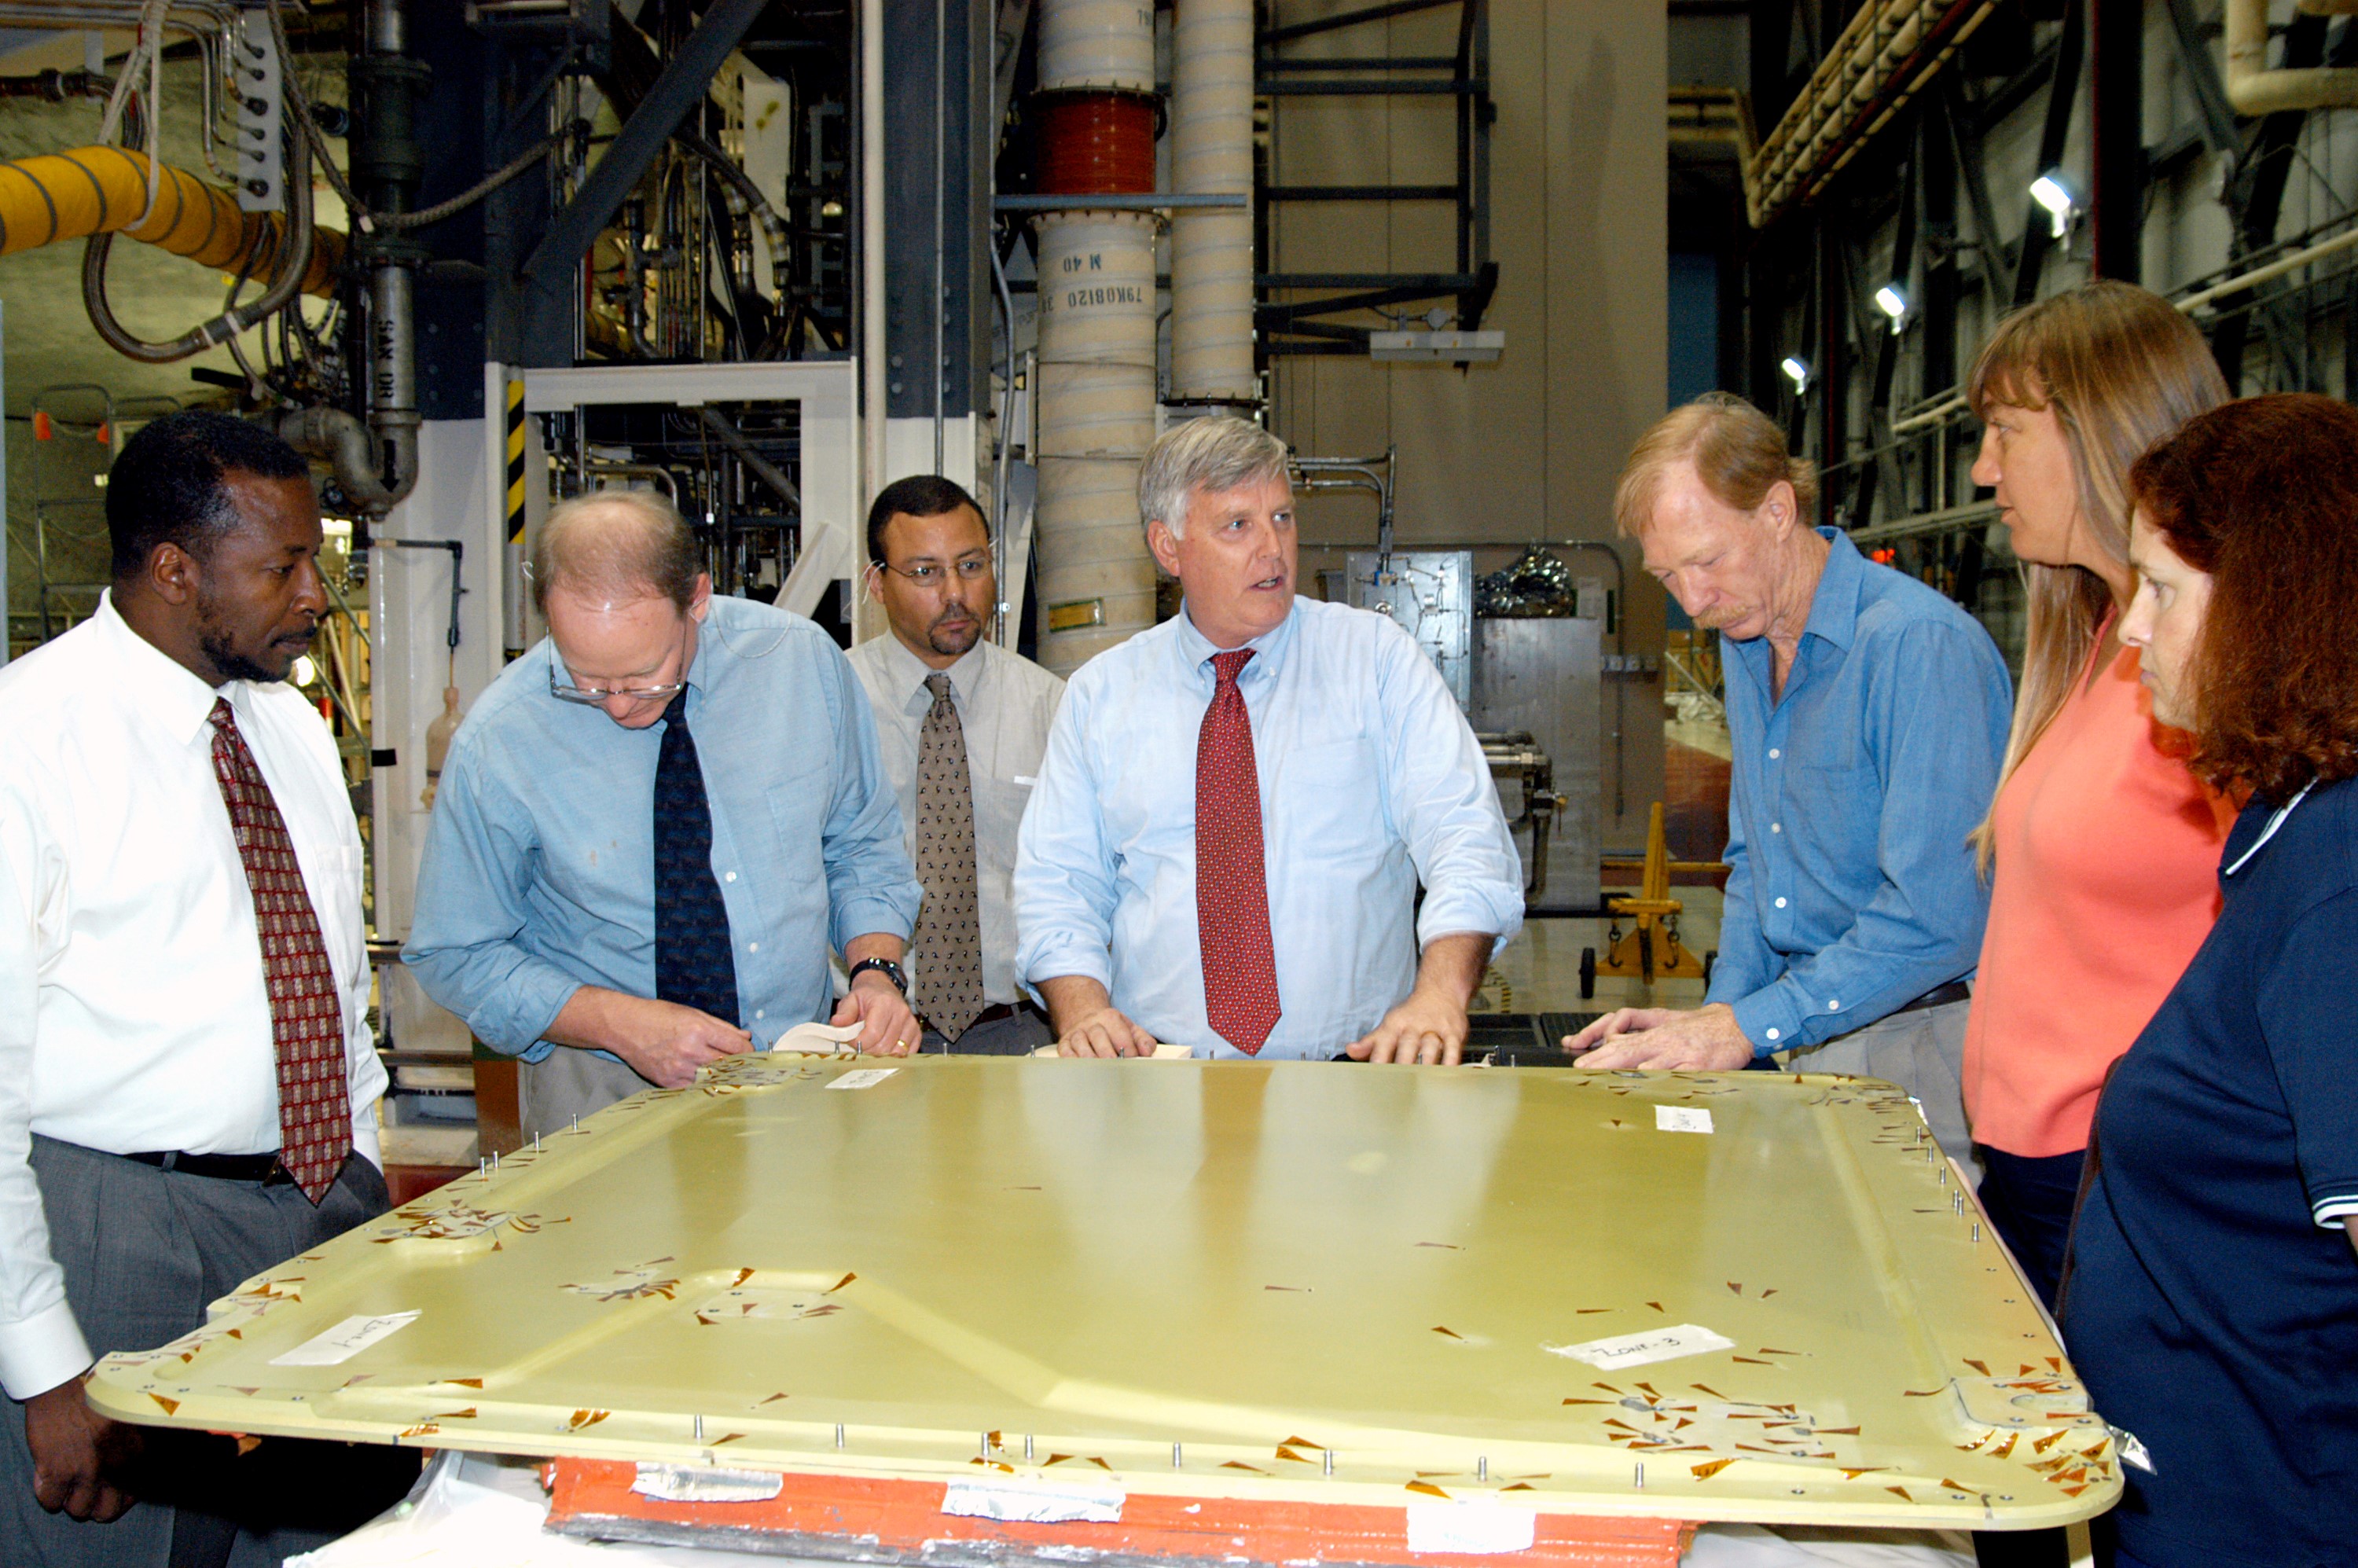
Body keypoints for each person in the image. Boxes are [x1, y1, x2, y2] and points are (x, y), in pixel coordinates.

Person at [0, 412, 413, 1564]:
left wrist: (360, 1175)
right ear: (175, 570)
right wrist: (48, 1367)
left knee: (326, 1542)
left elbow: (333, 992)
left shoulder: (285, 729)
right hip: (118, 1230)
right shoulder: (28, 744)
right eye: (283, 565)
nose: (317, 594)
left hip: (312, 1216)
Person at [2062, 393, 2358, 1568]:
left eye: (2162, 589)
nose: (2132, 628)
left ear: (2275, 609)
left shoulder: (2339, 873)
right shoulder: (2285, 834)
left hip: (2270, 1512)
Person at [1568, 394, 2011, 1170]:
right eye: (1669, 575)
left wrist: (1747, 1027)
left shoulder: (1919, 648)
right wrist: (1718, 1018)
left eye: (1706, 561)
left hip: (1916, 1045)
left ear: (1778, 511)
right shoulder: (1750, 641)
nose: (1694, 603)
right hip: (1807, 1031)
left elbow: (1938, 916)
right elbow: (1758, 863)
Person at [404, 490, 923, 1138]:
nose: (619, 705)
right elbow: (456, 950)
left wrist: (876, 973)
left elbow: (861, 845)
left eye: (644, 676)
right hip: (601, 1090)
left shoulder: (800, 667)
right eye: (585, 681)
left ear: (697, 599)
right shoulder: (500, 740)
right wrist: (618, 1022)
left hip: (802, 1074)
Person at [1014, 415, 1523, 1063]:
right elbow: (1058, 882)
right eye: (1238, 525)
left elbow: (1466, 835)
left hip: (1355, 1078)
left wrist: (1440, 995)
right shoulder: (1100, 698)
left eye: (1282, 518)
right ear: (1168, 547)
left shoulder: (1374, 663)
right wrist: (1084, 1011)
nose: (1272, 549)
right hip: (1159, 1084)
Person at [1956, 282, 2233, 1309]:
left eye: (2006, 433)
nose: (1986, 470)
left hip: (2119, 1177)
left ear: (2098, 433)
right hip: (2035, 1167)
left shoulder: (2208, 676)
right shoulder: (2099, 653)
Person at [847, 476, 1065, 1055]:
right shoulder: (831, 703)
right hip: (872, 1032)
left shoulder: (1051, 706)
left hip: (1020, 1029)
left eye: (970, 565)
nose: (955, 592)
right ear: (876, 582)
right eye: (924, 572)